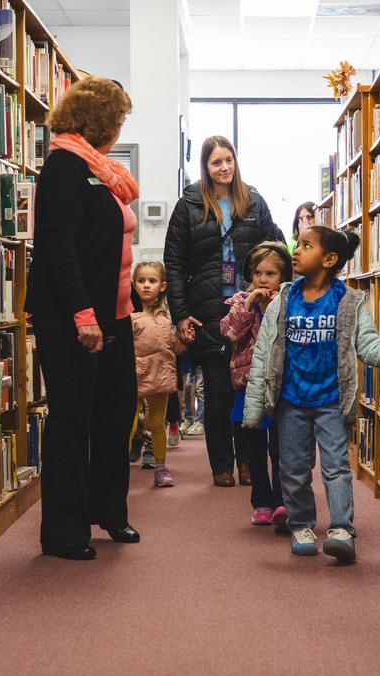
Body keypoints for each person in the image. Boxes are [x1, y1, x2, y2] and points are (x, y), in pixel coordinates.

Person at [242, 225, 380, 562]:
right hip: (291, 402)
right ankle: (301, 526)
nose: (296, 251)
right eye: (297, 245)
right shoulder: (283, 300)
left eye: (305, 245)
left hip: (331, 400)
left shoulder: (350, 301)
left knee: (336, 467)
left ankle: (342, 530)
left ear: (329, 259)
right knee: (293, 468)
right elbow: (263, 355)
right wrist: (255, 409)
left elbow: (372, 348)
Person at [24, 76, 141, 561]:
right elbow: (59, 247)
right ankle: (64, 530)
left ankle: (108, 512)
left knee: (116, 414)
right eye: (117, 121)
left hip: (114, 314)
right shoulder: (64, 167)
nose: (118, 129)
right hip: (74, 316)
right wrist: (83, 315)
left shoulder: (103, 171)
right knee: (72, 420)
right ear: (101, 122)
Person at [164, 135, 284, 487]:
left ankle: (248, 461)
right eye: (216, 162)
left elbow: (275, 245)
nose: (224, 167)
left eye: (228, 160)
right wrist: (181, 314)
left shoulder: (254, 200)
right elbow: (174, 263)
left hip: (250, 312)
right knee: (216, 393)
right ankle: (222, 465)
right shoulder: (189, 204)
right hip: (209, 313)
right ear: (206, 166)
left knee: (246, 391)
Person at [220, 241, 292, 528]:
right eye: (258, 273)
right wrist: (249, 305)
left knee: (280, 449)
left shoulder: (288, 303)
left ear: (283, 277)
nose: (263, 279)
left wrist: (275, 306)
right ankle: (261, 502)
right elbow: (229, 333)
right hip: (248, 389)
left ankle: (282, 502)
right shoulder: (241, 303)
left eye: (271, 273)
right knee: (255, 451)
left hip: (280, 390)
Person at [131, 261, 192, 487]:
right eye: (141, 281)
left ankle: (161, 467)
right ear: (133, 284)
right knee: (128, 425)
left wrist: (184, 342)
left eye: (152, 281)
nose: (146, 286)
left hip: (159, 378)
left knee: (157, 424)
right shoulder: (130, 316)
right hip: (135, 378)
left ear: (163, 286)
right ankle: (117, 468)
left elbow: (170, 350)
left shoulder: (166, 318)